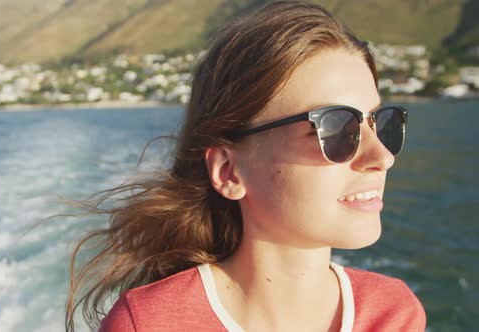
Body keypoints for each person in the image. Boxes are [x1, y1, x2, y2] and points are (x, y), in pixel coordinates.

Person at [65, 1, 426, 331]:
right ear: (228, 171)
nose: (383, 156)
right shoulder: (147, 324)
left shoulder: (394, 315)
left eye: (380, 122)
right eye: (334, 128)